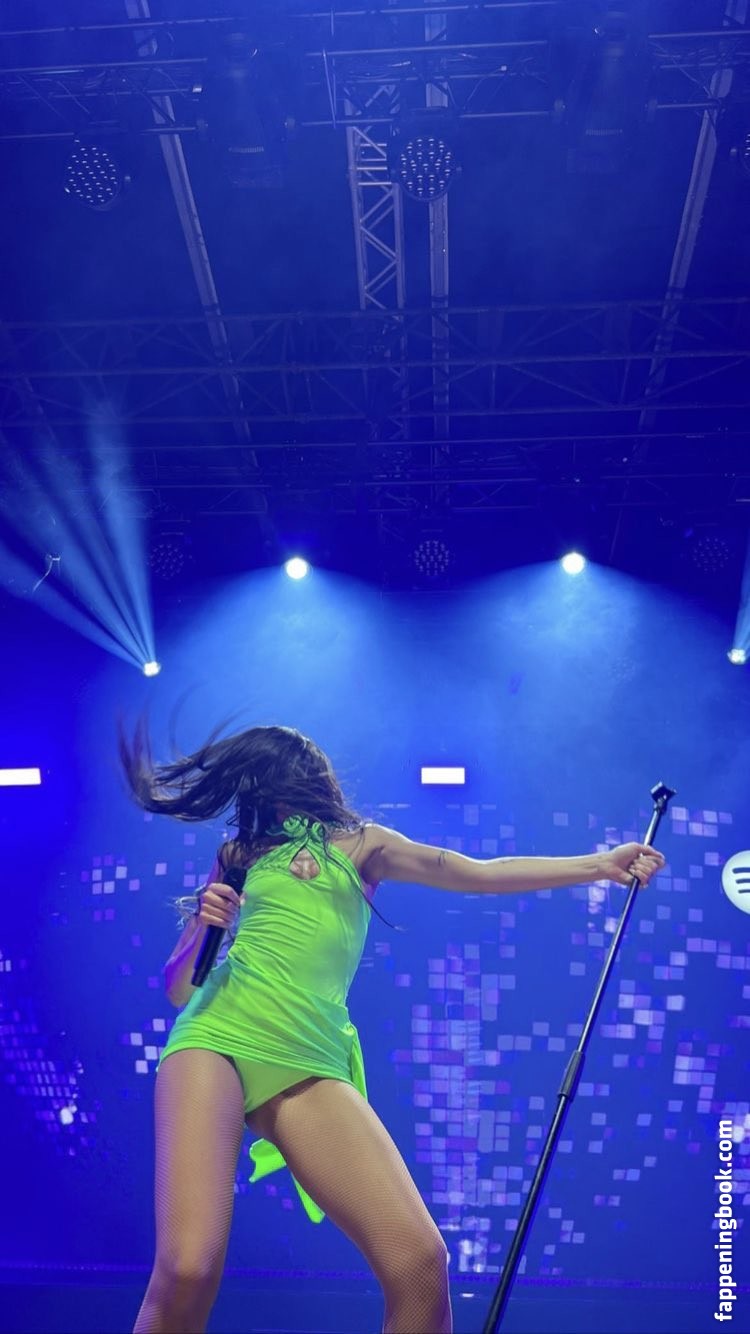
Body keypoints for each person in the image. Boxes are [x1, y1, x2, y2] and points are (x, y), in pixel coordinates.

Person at [118, 717, 665, 1334]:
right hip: (214, 1037)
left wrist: (599, 865)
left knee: (420, 1263)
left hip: (310, 1052)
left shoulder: (364, 845)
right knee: (188, 1268)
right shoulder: (237, 856)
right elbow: (180, 989)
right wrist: (203, 921)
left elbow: (477, 873)